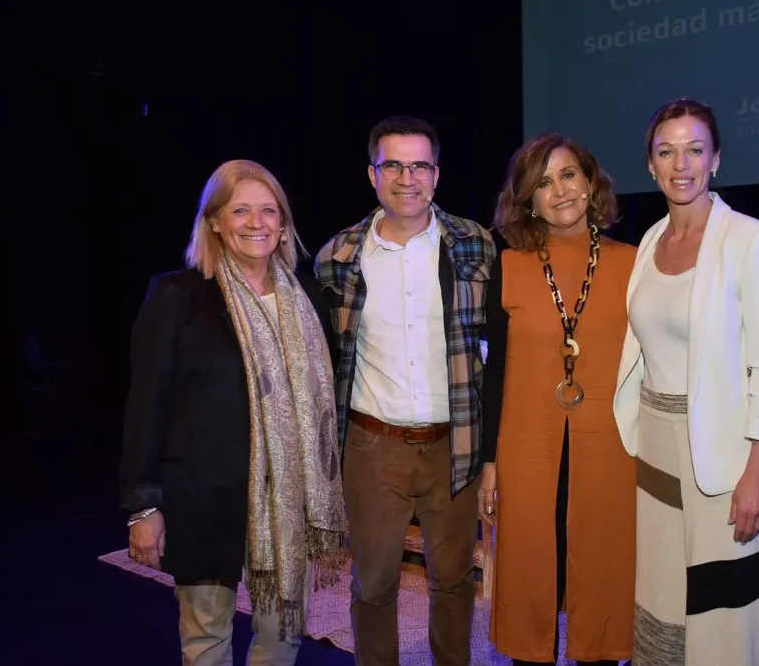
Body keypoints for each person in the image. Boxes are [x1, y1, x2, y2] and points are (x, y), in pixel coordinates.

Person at [120, 159, 346, 666]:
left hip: (290, 509)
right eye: (239, 209)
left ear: (284, 225)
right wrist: (144, 506)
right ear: (214, 221)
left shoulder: (309, 299)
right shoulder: (177, 295)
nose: (255, 222)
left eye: (268, 211)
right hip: (204, 501)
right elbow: (145, 407)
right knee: (206, 643)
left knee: (282, 642)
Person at [613, 97, 759, 665]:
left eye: (695, 149)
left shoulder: (752, 240)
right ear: (650, 164)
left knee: (728, 613)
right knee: (666, 599)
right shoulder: (649, 242)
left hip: (727, 457)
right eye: (666, 151)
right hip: (660, 453)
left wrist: (757, 474)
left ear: (716, 159)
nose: (681, 163)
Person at [314, 115, 496, 666]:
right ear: (372, 174)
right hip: (373, 447)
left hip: (454, 445)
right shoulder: (338, 257)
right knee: (372, 584)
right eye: (392, 164)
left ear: (436, 175)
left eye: (419, 165)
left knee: (453, 579)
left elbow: (503, 345)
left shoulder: (475, 245)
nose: (406, 177)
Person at [481, 133, 636, 665]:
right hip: (528, 448)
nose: (559, 190)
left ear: (591, 183)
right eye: (542, 182)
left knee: (604, 571)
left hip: (612, 449)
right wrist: (489, 462)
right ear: (527, 199)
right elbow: (494, 370)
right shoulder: (509, 266)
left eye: (568, 175)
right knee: (529, 577)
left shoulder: (635, 263)